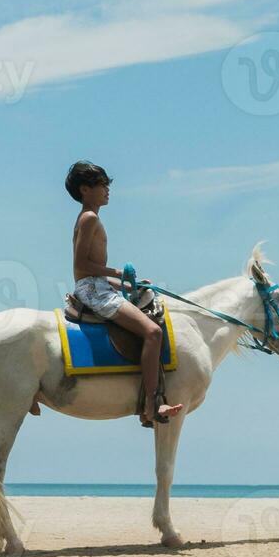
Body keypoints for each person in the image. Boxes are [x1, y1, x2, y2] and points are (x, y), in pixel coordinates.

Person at [66, 160, 184, 428]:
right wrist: (118, 273)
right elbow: (81, 267)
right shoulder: (89, 218)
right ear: (85, 190)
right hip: (93, 290)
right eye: (101, 185)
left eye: (107, 185)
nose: (108, 190)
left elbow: (91, 271)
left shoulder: (91, 217)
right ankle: (153, 404)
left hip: (98, 286)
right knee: (153, 333)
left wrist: (129, 285)